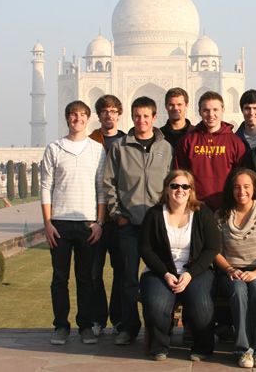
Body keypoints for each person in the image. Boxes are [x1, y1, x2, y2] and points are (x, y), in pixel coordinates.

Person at [103, 96, 173, 345]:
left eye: (146, 116)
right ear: (131, 118)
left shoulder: (165, 148)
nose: (141, 120)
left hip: (157, 225)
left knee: (162, 274)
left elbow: (171, 184)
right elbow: (109, 182)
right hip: (129, 224)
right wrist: (117, 214)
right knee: (127, 277)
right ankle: (128, 327)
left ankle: (161, 325)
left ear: (155, 118)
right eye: (137, 116)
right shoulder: (120, 147)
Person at [41, 100, 106, 345]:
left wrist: (100, 221)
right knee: (59, 278)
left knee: (86, 278)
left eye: (81, 115)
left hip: (87, 223)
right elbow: (46, 187)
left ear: (88, 119)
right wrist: (47, 222)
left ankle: (86, 325)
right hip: (60, 223)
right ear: (67, 118)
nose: (77, 119)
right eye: (72, 115)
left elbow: (101, 188)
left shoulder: (97, 149)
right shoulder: (54, 148)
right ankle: (60, 326)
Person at [139, 170, 221, 361]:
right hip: (160, 271)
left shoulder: (202, 212)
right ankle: (159, 346)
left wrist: (190, 274)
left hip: (195, 271)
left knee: (201, 305)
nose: (180, 190)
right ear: (167, 189)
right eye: (174, 185)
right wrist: (166, 274)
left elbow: (212, 248)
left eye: (185, 186)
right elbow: (145, 248)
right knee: (156, 304)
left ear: (191, 190)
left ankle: (202, 348)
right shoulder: (154, 213)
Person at [215, 168, 256, 368]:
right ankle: (243, 349)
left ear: (254, 188)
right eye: (236, 187)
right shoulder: (221, 214)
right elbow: (216, 251)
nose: (241, 191)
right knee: (238, 290)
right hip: (231, 270)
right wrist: (229, 270)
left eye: (246, 186)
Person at [88, 95, 126, 337]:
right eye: (104, 111)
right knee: (93, 271)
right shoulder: (89, 142)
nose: (109, 115)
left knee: (122, 271)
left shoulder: (126, 141)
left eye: (113, 111)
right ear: (98, 114)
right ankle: (97, 319)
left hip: (119, 218)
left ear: (118, 114)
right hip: (92, 217)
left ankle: (120, 319)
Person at [174, 91, 246, 210]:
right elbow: (180, 176)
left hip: (227, 207)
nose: (211, 114)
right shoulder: (188, 141)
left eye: (215, 110)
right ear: (200, 112)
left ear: (222, 110)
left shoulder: (235, 142)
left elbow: (241, 178)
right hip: (195, 207)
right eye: (206, 110)